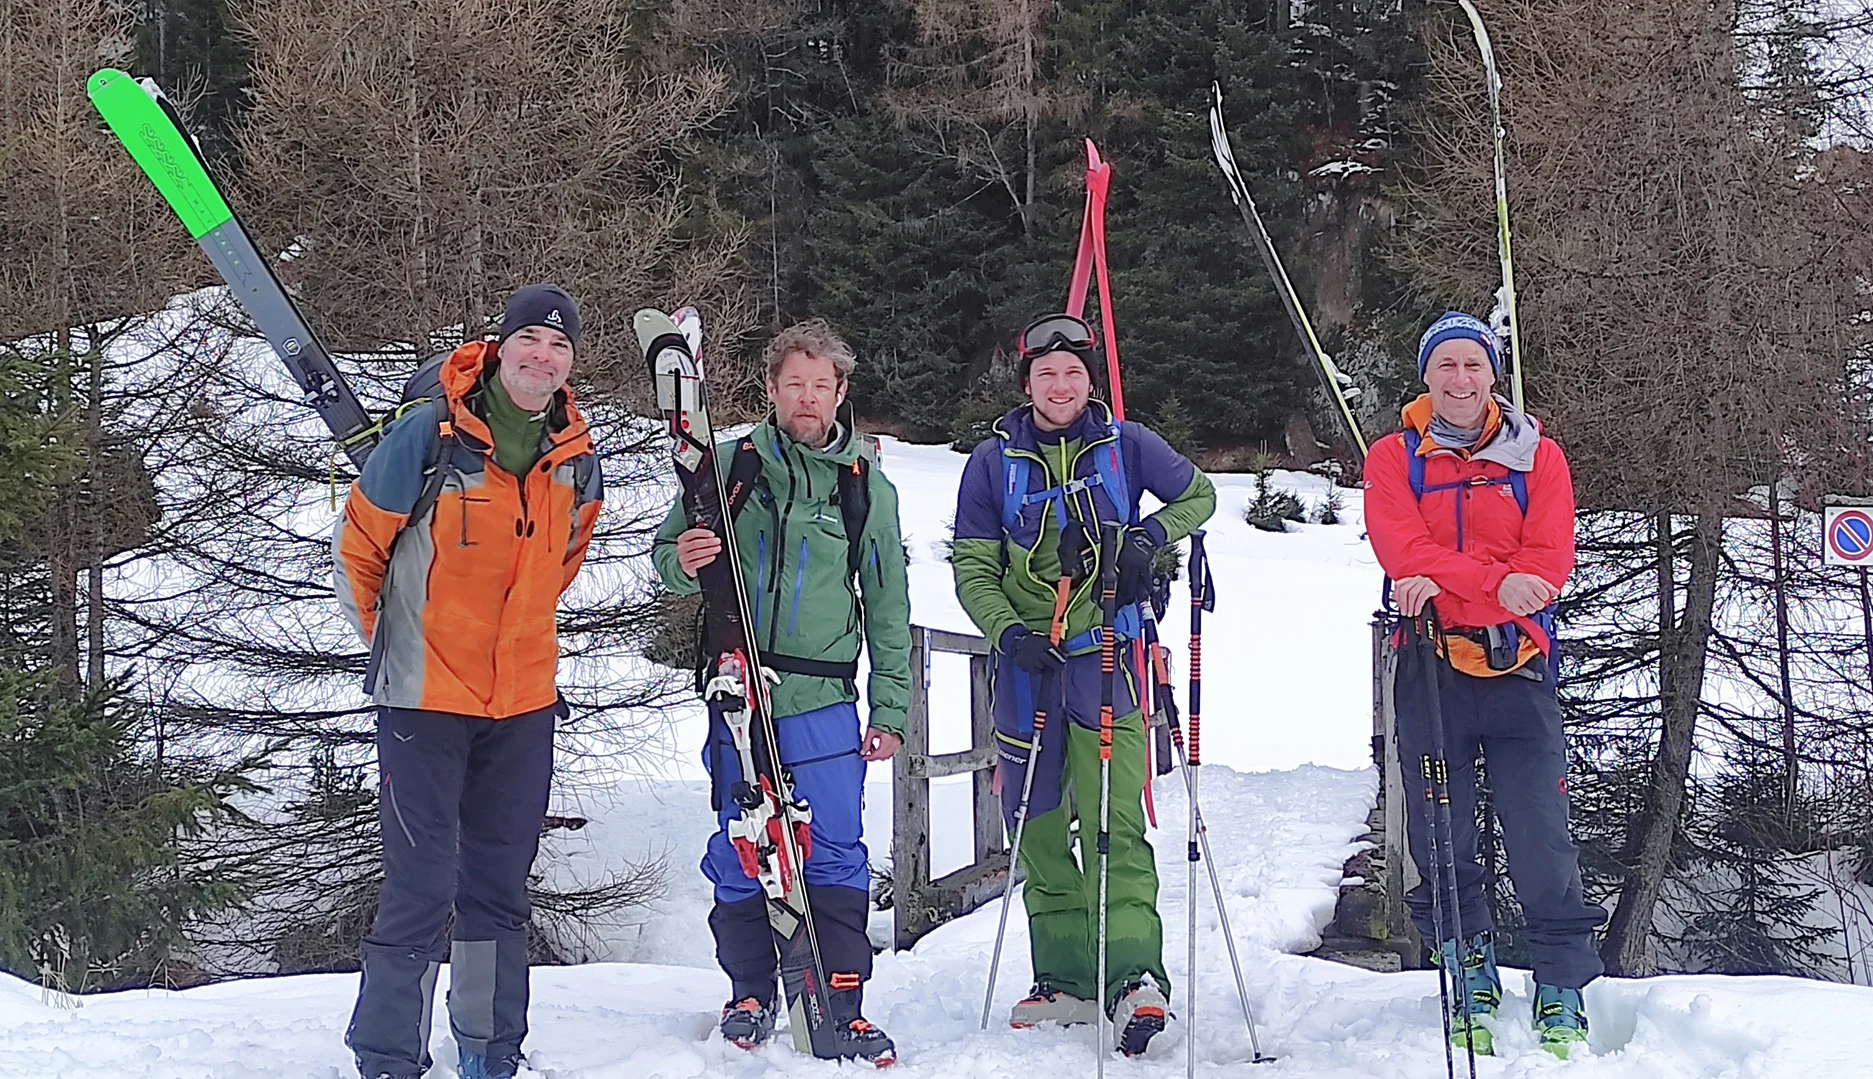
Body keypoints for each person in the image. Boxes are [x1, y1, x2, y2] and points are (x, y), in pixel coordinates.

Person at [333, 284, 603, 1079]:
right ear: (502, 345)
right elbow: (359, 550)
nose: (541, 357)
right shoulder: (429, 434)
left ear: (570, 363)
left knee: (496, 887)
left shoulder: (575, 458)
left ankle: (488, 1047)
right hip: (424, 700)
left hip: (520, 705)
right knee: (419, 885)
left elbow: (562, 566)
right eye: (530, 341)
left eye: (558, 347)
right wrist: (395, 645)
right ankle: (388, 1055)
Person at [950, 312, 1215, 1056]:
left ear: (1088, 381)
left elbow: (1199, 496)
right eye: (1045, 374)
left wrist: (1149, 538)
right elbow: (972, 564)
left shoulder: (1127, 445)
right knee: (1035, 824)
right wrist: (1010, 632)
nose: (1059, 386)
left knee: (1113, 820)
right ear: (1027, 382)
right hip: (1028, 667)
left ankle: (1134, 975)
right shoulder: (992, 461)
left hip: (1110, 658)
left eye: (1071, 373)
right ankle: (1063, 977)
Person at [651, 318, 911, 1064]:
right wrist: (686, 558)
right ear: (770, 389)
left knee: (833, 849)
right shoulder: (730, 465)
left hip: (824, 698)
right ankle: (751, 990)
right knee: (743, 843)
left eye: (820, 385)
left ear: (840, 392)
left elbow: (888, 603)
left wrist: (890, 706)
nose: (806, 397)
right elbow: (668, 556)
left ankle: (842, 998)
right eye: (793, 383)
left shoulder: (864, 486)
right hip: (737, 689)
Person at [1362, 311, 1605, 1059]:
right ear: (1426, 375)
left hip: (1518, 669)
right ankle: (1465, 961)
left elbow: (1550, 561)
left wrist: (1448, 577)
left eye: (1473, 365)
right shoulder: (1393, 457)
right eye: (1446, 366)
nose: (1460, 380)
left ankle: (1559, 980)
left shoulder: (1541, 458)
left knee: (1541, 833)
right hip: (1431, 666)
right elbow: (1403, 548)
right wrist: (1499, 580)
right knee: (1444, 831)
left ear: (1493, 372)